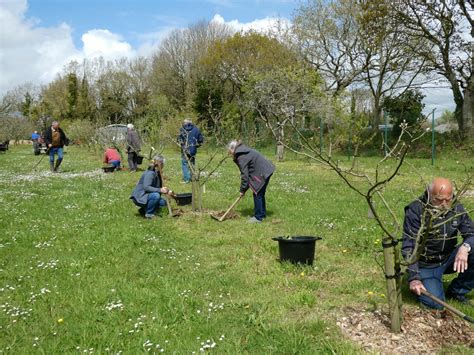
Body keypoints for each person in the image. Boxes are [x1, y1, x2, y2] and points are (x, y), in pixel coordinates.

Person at [402, 177, 474, 309]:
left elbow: (471, 233)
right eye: (439, 200)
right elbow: (409, 247)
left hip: (449, 258)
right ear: (429, 195)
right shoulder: (415, 210)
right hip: (426, 264)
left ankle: (457, 291)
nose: (444, 204)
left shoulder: (456, 207)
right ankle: (423, 282)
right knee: (436, 304)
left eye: (448, 199)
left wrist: (465, 247)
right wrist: (414, 277)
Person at [227, 140, 275, 224]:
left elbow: (245, 176)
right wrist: (245, 188)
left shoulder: (241, 156)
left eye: (230, 151)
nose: (230, 153)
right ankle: (262, 214)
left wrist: (242, 190)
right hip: (266, 169)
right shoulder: (243, 150)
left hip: (263, 171)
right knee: (260, 193)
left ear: (233, 149)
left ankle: (258, 217)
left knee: (257, 192)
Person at [130, 155, 173, 219]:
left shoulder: (157, 173)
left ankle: (143, 210)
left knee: (164, 203)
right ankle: (149, 214)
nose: (163, 166)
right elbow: (146, 187)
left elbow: (159, 187)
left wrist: (167, 191)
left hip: (147, 195)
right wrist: (160, 190)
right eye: (163, 164)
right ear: (160, 164)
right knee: (156, 196)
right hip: (140, 196)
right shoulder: (150, 173)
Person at [177, 118, 203, 183]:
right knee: (192, 164)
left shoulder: (182, 129)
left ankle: (186, 179)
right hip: (193, 149)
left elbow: (179, 139)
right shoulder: (196, 130)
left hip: (184, 149)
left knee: (185, 164)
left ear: (185, 123)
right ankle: (192, 178)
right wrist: (197, 146)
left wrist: (182, 144)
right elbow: (201, 140)